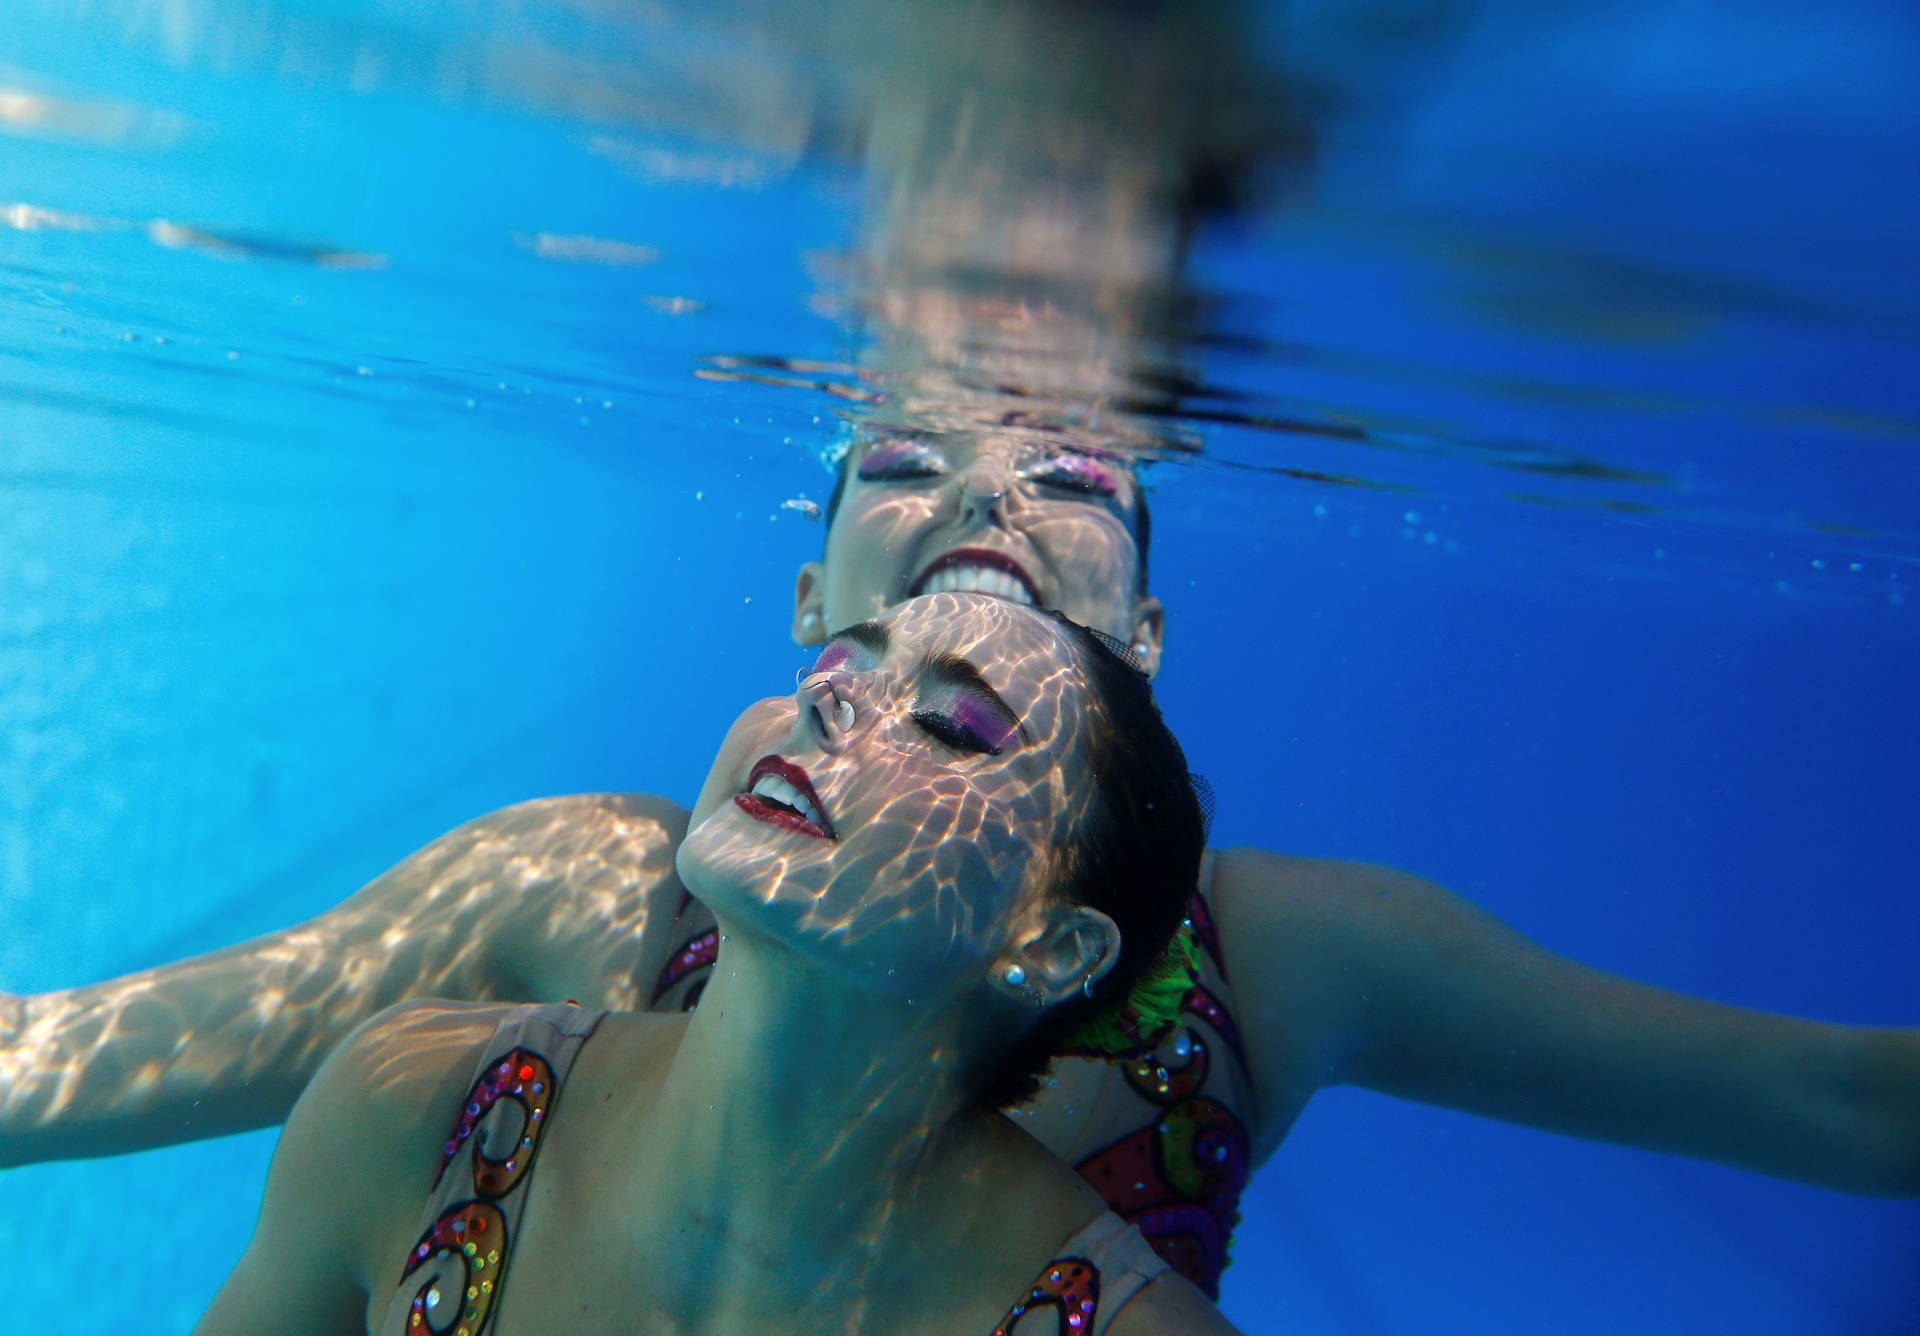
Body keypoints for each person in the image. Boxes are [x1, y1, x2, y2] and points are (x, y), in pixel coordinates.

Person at [7, 419, 1918, 1308]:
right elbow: (72, 1057)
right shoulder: (570, 905)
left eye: (1079, 479)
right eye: (903, 460)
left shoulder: (1288, 954)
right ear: (810, 595)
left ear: (1144, 639)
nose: (990, 500)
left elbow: (1829, 1095)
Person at [195, 593, 1235, 1336]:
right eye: (841, 666)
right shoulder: (415, 1111)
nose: (830, 706)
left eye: (947, 724)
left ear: (1052, 947)